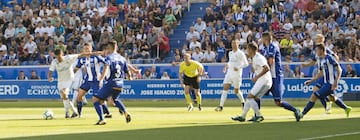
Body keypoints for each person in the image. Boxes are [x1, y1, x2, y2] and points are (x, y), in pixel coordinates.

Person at [299, 44, 352, 121]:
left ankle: (302, 114)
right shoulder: (320, 60)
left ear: (321, 50)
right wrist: (311, 81)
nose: (316, 52)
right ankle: (346, 108)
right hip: (325, 82)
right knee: (332, 98)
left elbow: (339, 70)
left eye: (317, 50)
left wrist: (336, 82)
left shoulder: (329, 58)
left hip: (330, 83)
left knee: (314, 95)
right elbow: (320, 74)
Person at [259, 32, 301, 121]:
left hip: (276, 76)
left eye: (262, 39)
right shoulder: (265, 48)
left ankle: (295, 110)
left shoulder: (272, 47)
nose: (261, 40)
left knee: (278, 102)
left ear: (265, 39)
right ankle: (257, 114)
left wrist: (264, 72)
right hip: (269, 76)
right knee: (256, 95)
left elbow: (270, 62)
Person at [48, 49, 98, 118]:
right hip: (61, 81)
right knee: (64, 97)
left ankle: (74, 111)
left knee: (64, 94)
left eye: (59, 57)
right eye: (57, 57)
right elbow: (51, 70)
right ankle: (68, 112)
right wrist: (49, 77)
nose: (58, 59)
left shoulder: (68, 58)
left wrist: (95, 53)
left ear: (62, 54)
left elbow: (81, 55)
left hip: (69, 79)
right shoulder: (54, 62)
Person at [92, 41, 132, 125]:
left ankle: (102, 119)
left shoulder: (109, 58)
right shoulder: (122, 58)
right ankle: (125, 112)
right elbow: (127, 71)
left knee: (95, 99)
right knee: (114, 100)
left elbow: (106, 68)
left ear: (109, 48)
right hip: (120, 84)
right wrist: (130, 78)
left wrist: (101, 79)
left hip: (111, 83)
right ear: (116, 47)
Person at [232, 43, 272, 122]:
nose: (247, 50)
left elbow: (267, 68)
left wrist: (257, 77)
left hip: (264, 80)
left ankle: (259, 115)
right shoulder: (254, 58)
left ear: (251, 50)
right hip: (264, 81)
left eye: (247, 49)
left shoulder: (258, 58)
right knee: (251, 98)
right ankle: (243, 116)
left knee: (249, 97)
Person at [73, 43, 111, 118]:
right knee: (79, 97)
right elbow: (76, 68)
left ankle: (107, 113)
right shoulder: (82, 59)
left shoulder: (96, 57)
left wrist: (102, 78)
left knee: (99, 99)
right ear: (83, 50)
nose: (86, 50)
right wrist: (69, 75)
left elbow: (106, 64)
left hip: (96, 81)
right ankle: (79, 114)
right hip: (87, 80)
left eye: (88, 49)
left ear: (91, 49)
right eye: (85, 49)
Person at [301, 34, 336, 114]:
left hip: (327, 75)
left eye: (317, 38)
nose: (315, 40)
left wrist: (330, 65)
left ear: (321, 39)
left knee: (317, 93)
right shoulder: (316, 51)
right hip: (322, 73)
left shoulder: (326, 50)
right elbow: (313, 62)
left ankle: (328, 107)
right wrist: (306, 65)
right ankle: (329, 107)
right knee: (320, 92)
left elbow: (335, 58)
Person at [215, 40, 248, 112]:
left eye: (235, 43)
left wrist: (238, 67)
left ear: (238, 44)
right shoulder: (230, 53)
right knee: (225, 88)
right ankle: (221, 106)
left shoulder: (241, 53)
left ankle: (243, 102)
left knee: (236, 91)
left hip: (237, 74)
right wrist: (226, 66)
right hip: (229, 73)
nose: (233, 45)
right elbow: (230, 61)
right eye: (232, 43)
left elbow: (246, 63)